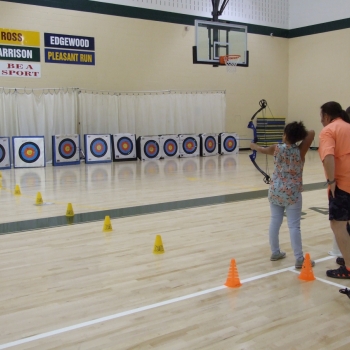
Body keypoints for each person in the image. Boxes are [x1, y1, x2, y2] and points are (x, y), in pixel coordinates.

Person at [250, 122, 315, 268]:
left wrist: (253, 146)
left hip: (276, 191)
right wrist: (297, 134)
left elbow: (262, 149)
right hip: (293, 193)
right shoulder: (300, 151)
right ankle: (299, 258)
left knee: (275, 221)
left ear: (285, 135)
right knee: (294, 226)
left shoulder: (276, 148)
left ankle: (275, 252)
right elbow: (311, 132)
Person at [318, 101, 350, 279]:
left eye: (321, 116)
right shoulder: (348, 126)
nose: (321, 120)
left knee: (338, 224)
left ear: (327, 117)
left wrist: (331, 181)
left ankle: (349, 267)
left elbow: (328, 156)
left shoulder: (329, 130)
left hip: (343, 184)